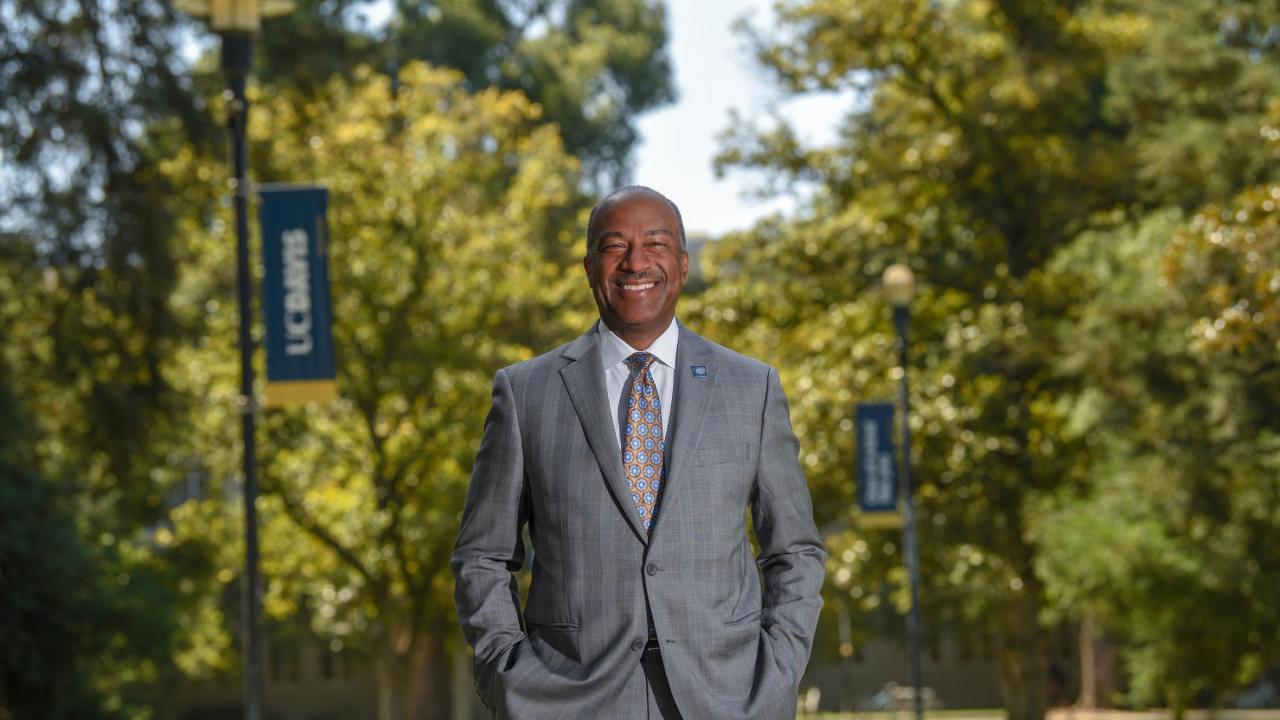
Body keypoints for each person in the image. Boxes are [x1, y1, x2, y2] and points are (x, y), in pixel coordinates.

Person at [451, 186, 826, 719]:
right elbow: (482, 556)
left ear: (683, 263)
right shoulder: (524, 393)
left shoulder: (752, 388)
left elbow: (795, 551)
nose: (636, 262)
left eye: (655, 243)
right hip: (570, 700)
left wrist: (779, 671)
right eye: (615, 246)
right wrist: (509, 676)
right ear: (588, 267)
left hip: (727, 698)